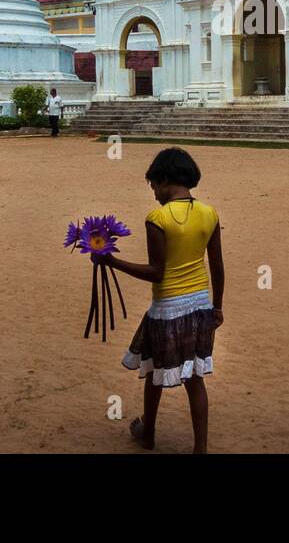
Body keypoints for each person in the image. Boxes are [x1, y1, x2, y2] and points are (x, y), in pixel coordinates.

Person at [95, 147, 224, 453]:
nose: (153, 192)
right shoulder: (210, 213)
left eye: (153, 185)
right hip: (200, 304)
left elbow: (156, 272)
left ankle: (148, 432)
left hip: (167, 307)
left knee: (153, 371)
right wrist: (217, 306)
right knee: (195, 378)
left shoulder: (158, 217)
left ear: (164, 179)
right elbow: (217, 266)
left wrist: (112, 262)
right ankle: (200, 449)